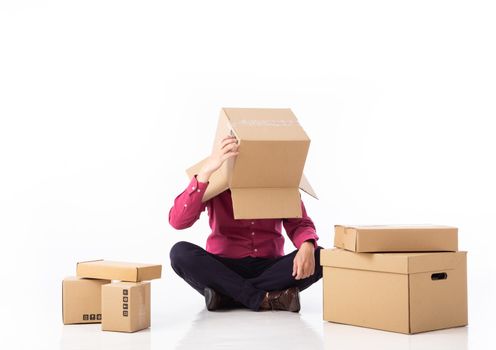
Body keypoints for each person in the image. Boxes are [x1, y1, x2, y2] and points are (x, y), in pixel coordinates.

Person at [169, 135, 323, 312]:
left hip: (268, 267)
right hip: (224, 267)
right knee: (179, 253)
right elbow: (177, 221)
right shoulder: (215, 180)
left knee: (320, 256)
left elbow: (300, 223)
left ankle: (226, 297)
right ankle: (265, 298)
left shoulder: (277, 181)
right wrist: (205, 174)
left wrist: (307, 245)